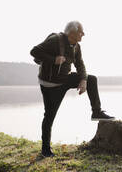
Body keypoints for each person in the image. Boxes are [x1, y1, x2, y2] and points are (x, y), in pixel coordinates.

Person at [30, 21, 115, 157]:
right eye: (81, 32)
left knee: (91, 79)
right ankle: (45, 149)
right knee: (49, 116)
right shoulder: (55, 40)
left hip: (64, 79)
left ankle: (96, 112)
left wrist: (83, 80)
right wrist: (53, 59)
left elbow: (80, 64)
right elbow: (34, 51)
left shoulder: (76, 46)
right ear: (72, 32)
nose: (83, 34)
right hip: (50, 84)